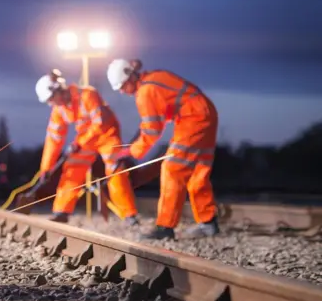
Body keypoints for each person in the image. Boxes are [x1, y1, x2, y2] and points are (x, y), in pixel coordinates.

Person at [106, 59, 220, 239]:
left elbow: (152, 130)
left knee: (172, 168)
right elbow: (164, 112)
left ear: (130, 78)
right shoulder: (153, 78)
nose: (122, 91)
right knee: (198, 170)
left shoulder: (145, 91)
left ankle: (165, 227)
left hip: (192, 118)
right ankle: (208, 222)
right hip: (205, 112)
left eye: (122, 87)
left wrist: (131, 152)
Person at [35, 69, 139, 225]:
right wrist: (46, 168)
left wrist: (79, 143)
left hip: (107, 135)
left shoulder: (88, 95)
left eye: (51, 99)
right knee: (72, 168)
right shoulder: (59, 110)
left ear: (59, 89)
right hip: (85, 140)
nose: (51, 103)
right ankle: (61, 212)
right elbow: (53, 139)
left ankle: (129, 215)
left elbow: (99, 123)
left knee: (115, 170)